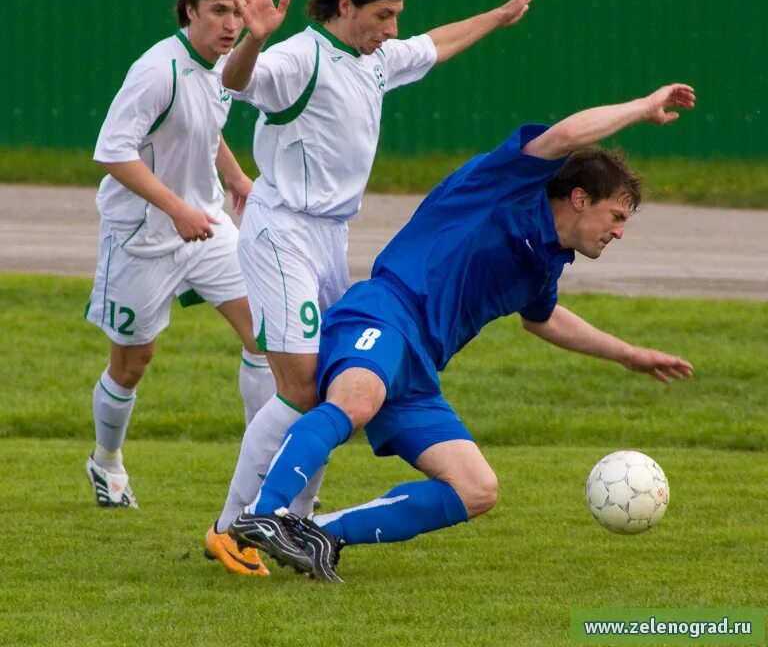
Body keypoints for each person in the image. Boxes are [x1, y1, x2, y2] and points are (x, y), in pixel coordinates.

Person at [227, 82, 696, 582]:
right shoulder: (503, 186)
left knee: (476, 489)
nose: (619, 231)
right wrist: (642, 109)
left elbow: (544, 319)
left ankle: (319, 532)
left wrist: (628, 354)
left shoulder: (545, 266)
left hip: (419, 368)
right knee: (356, 401)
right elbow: (565, 135)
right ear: (579, 198)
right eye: (616, 216)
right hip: (383, 314)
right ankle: (267, 514)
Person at [209, 0, 546, 571]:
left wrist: (498, 17)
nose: (393, 30)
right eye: (384, 15)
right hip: (282, 232)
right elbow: (233, 80)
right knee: (301, 389)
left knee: (329, 384)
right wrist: (252, 41)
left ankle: (292, 522)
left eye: (396, 17)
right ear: (346, 7)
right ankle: (232, 528)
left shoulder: (375, 58)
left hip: (330, 239)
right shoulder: (297, 59)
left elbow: (435, 44)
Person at [84, 0, 274, 577]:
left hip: (208, 226)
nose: (229, 23)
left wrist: (235, 178)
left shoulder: (221, 66)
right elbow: (113, 152)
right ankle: (107, 463)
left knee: (265, 337)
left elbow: (205, 125)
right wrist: (176, 209)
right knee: (133, 362)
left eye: (237, 11)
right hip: (141, 235)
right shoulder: (155, 70)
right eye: (217, 10)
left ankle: (265, 481)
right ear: (190, 10)